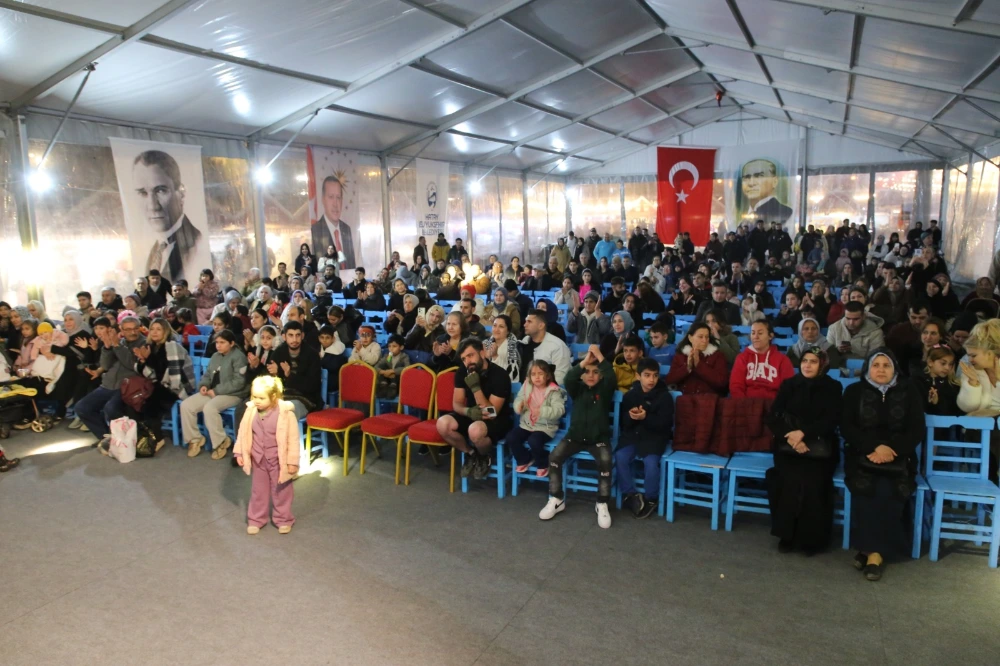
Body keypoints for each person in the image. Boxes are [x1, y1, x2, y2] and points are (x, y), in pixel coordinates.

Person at [841, 348, 923, 581]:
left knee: (888, 489)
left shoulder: (909, 391)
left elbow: (916, 429)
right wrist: (873, 448)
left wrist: (891, 450)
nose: (881, 370)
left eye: (886, 365)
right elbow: (847, 427)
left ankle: (871, 553)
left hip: (899, 458)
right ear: (868, 368)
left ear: (895, 368)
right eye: (875, 365)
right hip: (862, 455)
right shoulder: (854, 391)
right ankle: (874, 552)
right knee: (866, 488)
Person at [766, 347, 842, 554]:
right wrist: (791, 437)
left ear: (823, 365)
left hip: (820, 448)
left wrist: (804, 433)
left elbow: (832, 419)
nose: (807, 365)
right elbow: (773, 417)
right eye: (805, 361)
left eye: (813, 361)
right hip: (788, 446)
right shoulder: (789, 385)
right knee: (786, 479)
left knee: (813, 482)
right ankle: (786, 535)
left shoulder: (832, 387)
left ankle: (811, 539)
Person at [538, 345, 616, 528]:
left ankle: (602, 503)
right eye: (587, 372)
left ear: (601, 375)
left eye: (595, 372)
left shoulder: (605, 390)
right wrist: (585, 362)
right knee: (554, 457)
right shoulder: (577, 389)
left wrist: (599, 355)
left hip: (599, 439)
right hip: (575, 437)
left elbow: (611, 377)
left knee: (606, 462)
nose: (591, 375)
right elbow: (569, 378)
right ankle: (556, 498)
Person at [436, 338, 513, 480]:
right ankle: (471, 453)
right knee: (442, 423)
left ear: (482, 353)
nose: (467, 362)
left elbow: (491, 413)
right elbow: (457, 404)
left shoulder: (500, 375)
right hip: (473, 414)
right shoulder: (462, 372)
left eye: (470, 355)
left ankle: (484, 455)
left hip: (498, 419)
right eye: (464, 359)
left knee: (475, 430)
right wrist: (468, 412)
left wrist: (476, 388)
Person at [234, 376, 299, 535]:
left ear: (274, 397)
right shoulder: (250, 411)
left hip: (278, 460)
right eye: (254, 397)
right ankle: (256, 519)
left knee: (282, 491)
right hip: (259, 459)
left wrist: (292, 462)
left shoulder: (286, 414)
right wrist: (239, 452)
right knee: (258, 491)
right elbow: (243, 433)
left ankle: (283, 519)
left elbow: (293, 439)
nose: (257, 401)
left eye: (261, 398)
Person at [134, 150, 206, 282]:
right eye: (143, 193)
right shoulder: (155, 249)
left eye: (160, 191)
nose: (153, 206)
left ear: (181, 194)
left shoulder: (197, 243)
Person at [74, 317, 146, 447]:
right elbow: (105, 365)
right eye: (128, 329)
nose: (132, 332)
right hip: (108, 384)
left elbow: (131, 364)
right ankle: (106, 437)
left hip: (128, 386)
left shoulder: (144, 343)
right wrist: (107, 347)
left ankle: (122, 439)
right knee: (82, 407)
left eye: (135, 328)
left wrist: (117, 346)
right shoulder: (118, 341)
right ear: (121, 330)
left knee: (111, 409)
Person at [128, 318, 196, 452]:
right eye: (152, 329)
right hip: (158, 383)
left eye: (158, 329)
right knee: (135, 401)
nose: (154, 332)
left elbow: (171, 374)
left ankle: (158, 438)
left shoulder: (172, 346)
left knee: (149, 403)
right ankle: (145, 435)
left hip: (176, 385)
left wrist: (148, 358)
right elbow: (149, 373)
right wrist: (142, 360)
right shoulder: (150, 346)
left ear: (165, 331)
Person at [617, 358, 673, 519]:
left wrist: (645, 417)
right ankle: (630, 494)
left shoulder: (665, 397)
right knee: (620, 456)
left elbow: (664, 424)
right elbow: (623, 424)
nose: (651, 380)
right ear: (638, 376)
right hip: (633, 436)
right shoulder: (630, 395)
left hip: (654, 437)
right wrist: (631, 416)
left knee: (651, 463)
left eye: (655, 375)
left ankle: (651, 498)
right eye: (647, 375)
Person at [181, 329, 249, 460]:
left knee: (210, 407)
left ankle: (220, 442)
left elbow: (239, 382)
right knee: (186, 405)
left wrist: (217, 391)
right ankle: (195, 439)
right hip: (213, 391)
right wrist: (204, 385)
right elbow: (207, 375)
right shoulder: (215, 356)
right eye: (217, 342)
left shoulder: (239, 357)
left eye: (222, 342)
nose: (218, 345)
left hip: (234, 394)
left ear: (231, 343)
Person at [506, 360, 567, 475]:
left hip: (545, 428)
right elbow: (519, 398)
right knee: (511, 437)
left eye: (540, 373)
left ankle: (544, 462)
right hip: (527, 424)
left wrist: (542, 411)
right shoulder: (527, 386)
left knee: (534, 441)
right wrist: (519, 406)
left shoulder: (554, 391)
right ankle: (525, 459)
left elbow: (559, 410)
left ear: (547, 376)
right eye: (533, 374)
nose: (537, 377)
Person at [266, 322, 322, 419]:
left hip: (305, 399)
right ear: (284, 337)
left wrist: (289, 375)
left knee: (284, 412)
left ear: (302, 336)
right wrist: (274, 374)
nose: (294, 340)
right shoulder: (278, 353)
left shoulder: (312, 355)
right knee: (251, 407)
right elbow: (269, 382)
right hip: (282, 396)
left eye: (298, 335)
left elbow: (313, 386)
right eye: (291, 335)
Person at [730, 320, 794, 399]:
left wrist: (777, 405)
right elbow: (736, 386)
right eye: (753, 333)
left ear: (770, 336)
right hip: (747, 404)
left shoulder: (783, 360)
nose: (755, 337)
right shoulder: (742, 358)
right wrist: (743, 404)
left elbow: (788, 389)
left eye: (760, 333)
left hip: (773, 404)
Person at [663, 323, 729, 395]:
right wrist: (687, 368)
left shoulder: (718, 356)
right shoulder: (680, 356)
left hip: (709, 399)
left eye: (707, 337)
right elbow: (669, 380)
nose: (704, 340)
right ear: (690, 338)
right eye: (700, 337)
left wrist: (699, 364)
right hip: (684, 398)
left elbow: (722, 382)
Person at [957, 319, 1000, 416]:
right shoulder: (972, 371)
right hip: (982, 422)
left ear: (989, 354)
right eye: (968, 355)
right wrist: (973, 385)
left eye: (973, 356)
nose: (970, 360)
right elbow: (966, 408)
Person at [312, 176, 355, 269]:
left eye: (338, 197)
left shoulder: (346, 229)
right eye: (331, 197)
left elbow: (352, 265)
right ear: (323, 199)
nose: (335, 204)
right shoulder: (315, 230)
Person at [914, 345, 962, 416]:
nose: (947, 368)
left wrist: (937, 403)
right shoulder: (917, 381)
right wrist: (931, 403)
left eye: (950, 364)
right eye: (943, 363)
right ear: (930, 362)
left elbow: (955, 411)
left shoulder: (953, 385)